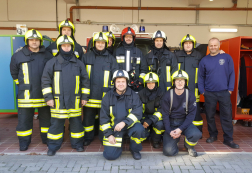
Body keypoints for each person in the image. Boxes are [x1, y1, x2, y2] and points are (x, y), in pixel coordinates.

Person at [41, 35, 90, 156]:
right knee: (56, 125)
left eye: (68, 46)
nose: (66, 48)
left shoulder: (79, 63)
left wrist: (84, 97)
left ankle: (78, 144)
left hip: (75, 100)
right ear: (59, 47)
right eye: (64, 46)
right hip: (58, 101)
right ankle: (53, 146)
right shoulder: (51, 63)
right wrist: (48, 98)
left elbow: (85, 81)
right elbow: (45, 80)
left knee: (76, 124)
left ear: (72, 47)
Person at [10, 29, 52, 151]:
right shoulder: (18, 56)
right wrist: (23, 85)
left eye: (37, 40)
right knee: (24, 121)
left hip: (43, 94)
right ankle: (24, 142)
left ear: (40, 41)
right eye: (31, 40)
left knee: (46, 120)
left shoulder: (47, 55)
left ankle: (46, 139)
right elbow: (14, 73)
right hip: (26, 96)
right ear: (27, 41)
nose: (34, 42)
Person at [198, 37, 239, 149]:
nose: (213, 47)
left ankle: (228, 139)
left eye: (215, 45)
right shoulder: (204, 60)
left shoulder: (226, 57)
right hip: (209, 93)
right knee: (210, 116)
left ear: (219, 45)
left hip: (224, 92)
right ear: (208, 46)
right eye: (211, 45)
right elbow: (200, 76)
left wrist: (230, 89)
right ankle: (213, 135)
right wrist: (202, 91)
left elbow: (232, 74)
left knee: (226, 116)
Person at [81, 32, 118, 146]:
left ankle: (104, 137)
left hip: (105, 96)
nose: (100, 45)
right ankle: (88, 137)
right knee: (88, 119)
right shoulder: (86, 57)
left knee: (105, 119)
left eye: (103, 43)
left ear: (106, 44)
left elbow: (115, 77)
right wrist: (83, 96)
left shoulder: (111, 59)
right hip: (90, 96)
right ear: (94, 44)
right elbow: (81, 76)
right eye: (98, 42)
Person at [100, 70, 145, 160]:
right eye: (118, 82)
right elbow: (104, 118)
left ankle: (135, 149)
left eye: (123, 81)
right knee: (110, 156)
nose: (121, 84)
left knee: (139, 128)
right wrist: (109, 135)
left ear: (127, 82)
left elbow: (138, 112)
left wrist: (125, 122)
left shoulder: (134, 95)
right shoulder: (107, 97)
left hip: (129, 125)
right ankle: (117, 145)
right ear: (114, 83)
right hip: (115, 128)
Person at [162, 70, 202, 157]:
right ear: (174, 82)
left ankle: (188, 146)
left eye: (182, 80)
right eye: (177, 80)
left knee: (196, 134)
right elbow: (165, 115)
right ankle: (174, 141)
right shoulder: (167, 95)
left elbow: (191, 115)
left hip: (185, 122)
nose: (180, 82)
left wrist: (180, 129)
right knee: (169, 152)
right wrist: (169, 131)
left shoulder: (190, 95)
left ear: (185, 82)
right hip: (171, 122)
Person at [175, 34, 204, 132]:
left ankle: (197, 130)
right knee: (180, 109)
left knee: (195, 111)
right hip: (180, 89)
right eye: (186, 43)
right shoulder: (176, 55)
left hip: (194, 89)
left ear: (193, 45)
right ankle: (181, 129)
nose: (188, 45)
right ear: (182, 45)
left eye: (190, 43)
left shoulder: (199, 56)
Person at [114, 27, 147, 92]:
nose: (128, 38)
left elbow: (144, 67)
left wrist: (140, 80)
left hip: (136, 85)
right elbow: (113, 67)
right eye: (126, 36)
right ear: (123, 38)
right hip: (120, 85)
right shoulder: (117, 51)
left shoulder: (138, 52)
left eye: (130, 37)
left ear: (133, 38)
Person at [138, 72, 165, 148]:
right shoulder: (140, 93)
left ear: (156, 83)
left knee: (160, 125)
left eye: (153, 82)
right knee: (142, 132)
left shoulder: (161, 93)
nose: (150, 85)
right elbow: (137, 109)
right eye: (148, 83)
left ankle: (156, 141)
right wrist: (143, 121)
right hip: (144, 117)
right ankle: (147, 135)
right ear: (145, 84)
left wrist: (151, 120)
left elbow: (161, 109)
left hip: (156, 117)